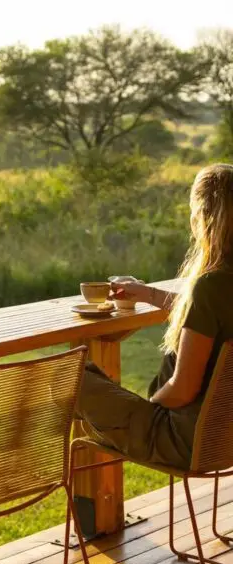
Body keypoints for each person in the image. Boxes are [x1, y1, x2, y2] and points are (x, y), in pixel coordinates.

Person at [76, 163, 233, 469]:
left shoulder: (211, 287)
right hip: (224, 442)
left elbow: (182, 389)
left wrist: (149, 408)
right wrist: (147, 294)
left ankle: (21, 475)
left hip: (180, 440)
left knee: (70, 377)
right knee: (92, 383)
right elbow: (206, 314)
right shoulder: (219, 290)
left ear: (203, 218)